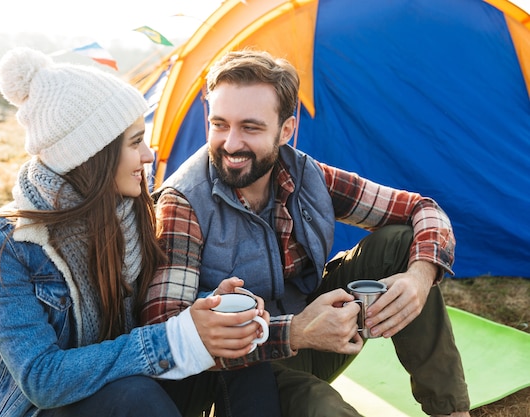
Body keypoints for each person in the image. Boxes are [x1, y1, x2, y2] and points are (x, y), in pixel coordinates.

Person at [145, 49, 471, 417]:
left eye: (250, 127)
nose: (231, 143)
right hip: (240, 373)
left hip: (316, 334)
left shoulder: (305, 174)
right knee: (325, 409)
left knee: (401, 241)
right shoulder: (182, 203)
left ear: (286, 130)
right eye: (219, 124)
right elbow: (164, 333)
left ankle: (451, 412)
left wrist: (420, 276)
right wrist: (295, 331)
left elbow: (422, 209)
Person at [0, 47, 281, 417]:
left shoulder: (134, 214)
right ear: (92, 153)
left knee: (240, 358)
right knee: (134, 395)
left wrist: (212, 313)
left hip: (133, 388)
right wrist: (175, 339)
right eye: (135, 142)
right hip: (41, 409)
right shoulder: (3, 244)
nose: (149, 155)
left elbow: (153, 310)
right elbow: (41, 379)